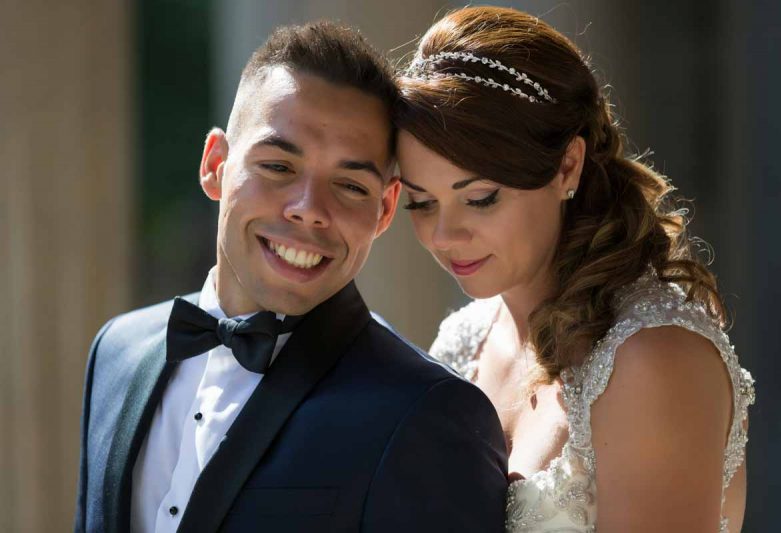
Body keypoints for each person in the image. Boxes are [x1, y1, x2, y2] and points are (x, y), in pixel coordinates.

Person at [74, 22, 508, 533]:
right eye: (278, 167)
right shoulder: (115, 352)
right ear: (215, 164)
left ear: (386, 209)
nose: (309, 210)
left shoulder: (426, 414)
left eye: (349, 185)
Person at [395, 6, 755, 532]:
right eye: (421, 203)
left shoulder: (652, 359)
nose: (444, 235)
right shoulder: (463, 341)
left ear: (568, 165)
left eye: (480, 198)